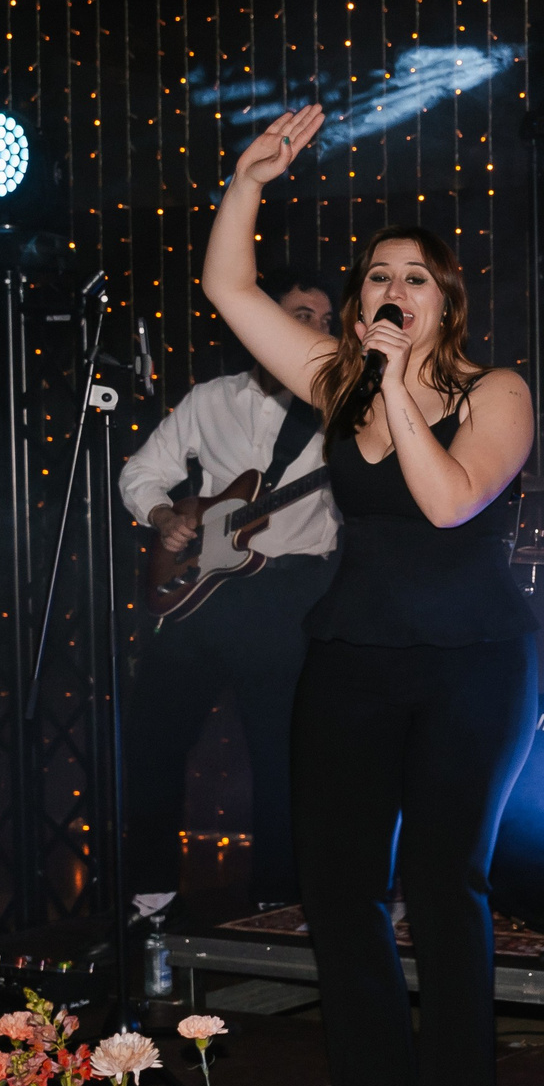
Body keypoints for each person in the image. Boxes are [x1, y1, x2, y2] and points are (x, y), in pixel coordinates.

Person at [201, 106, 538, 1086]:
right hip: (352, 656)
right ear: (360, 304)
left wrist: (396, 385)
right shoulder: (337, 380)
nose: (394, 287)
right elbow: (229, 289)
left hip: (471, 665)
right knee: (338, 884)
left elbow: (447, 502)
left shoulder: (496, 392)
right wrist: (248, 183)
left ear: (446, 301)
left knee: (443, 882)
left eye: (416, 277)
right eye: (379, 276)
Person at [120, 271, 340, 912]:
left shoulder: (346, 407)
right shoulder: (211, 398)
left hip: (291, 593)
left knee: (280, 755)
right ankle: (149, 897)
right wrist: (166, 516)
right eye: (302, 314)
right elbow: (142, 472)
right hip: (203, 592)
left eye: (327, 322)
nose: (318, 330)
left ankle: (277, 905)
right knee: (153, 738)